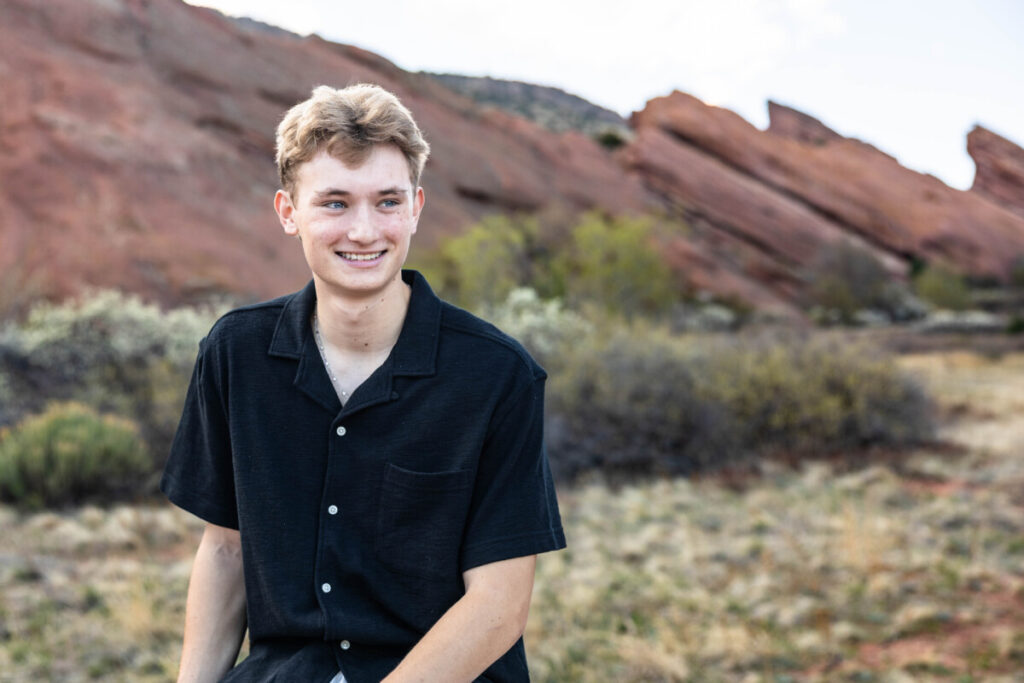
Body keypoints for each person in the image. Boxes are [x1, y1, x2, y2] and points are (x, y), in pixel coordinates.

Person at [161, 83, 566, 683]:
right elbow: (225, 549)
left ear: (416, 208)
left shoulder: (497, 375)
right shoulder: (235, 353)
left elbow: (498, 605)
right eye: (335, 203)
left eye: (387, 202)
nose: (364, 230)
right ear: (288, 212)